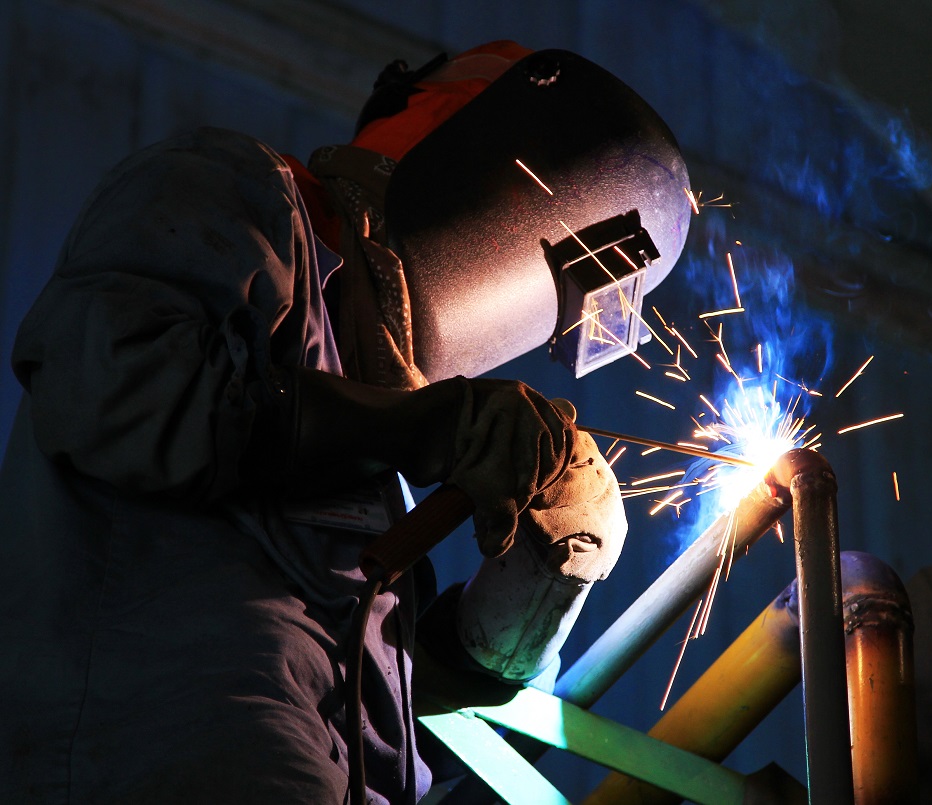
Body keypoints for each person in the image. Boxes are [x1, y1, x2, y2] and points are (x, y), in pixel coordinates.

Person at [0, 41, 691, 803]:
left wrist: (537, 592)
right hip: (155, 757)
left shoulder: (375, 435)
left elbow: (398, 727)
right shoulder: (232, 191)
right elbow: (113, 385)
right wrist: (418, 427)